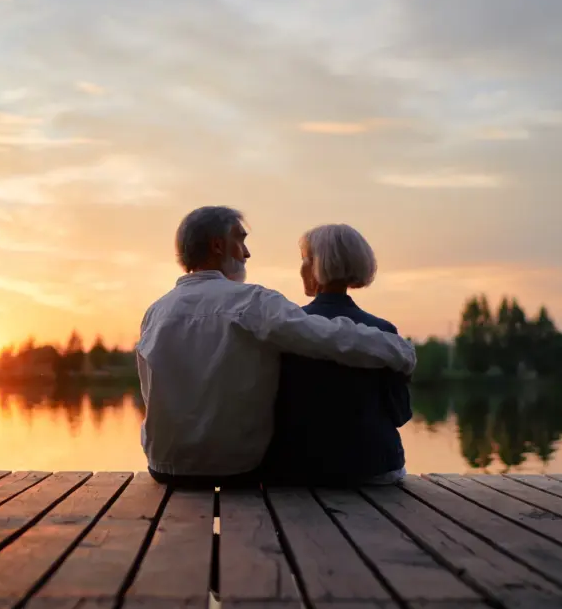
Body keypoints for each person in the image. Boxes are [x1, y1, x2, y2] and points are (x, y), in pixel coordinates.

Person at [137, 206, 416, 487]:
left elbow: (151, 396)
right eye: (241, 240)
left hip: (163, 468)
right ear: (218, 245)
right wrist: (398, 351)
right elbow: (328, 337)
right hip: (235, 469)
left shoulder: (156, 311)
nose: (246, 253)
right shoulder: (253, 302)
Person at [262, 224, 411, 486]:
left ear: (314, 266)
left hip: (297, 468)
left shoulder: (286, 328)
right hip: (375, 468)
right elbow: (400, 414)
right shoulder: (382, 331)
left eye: (303, 260)